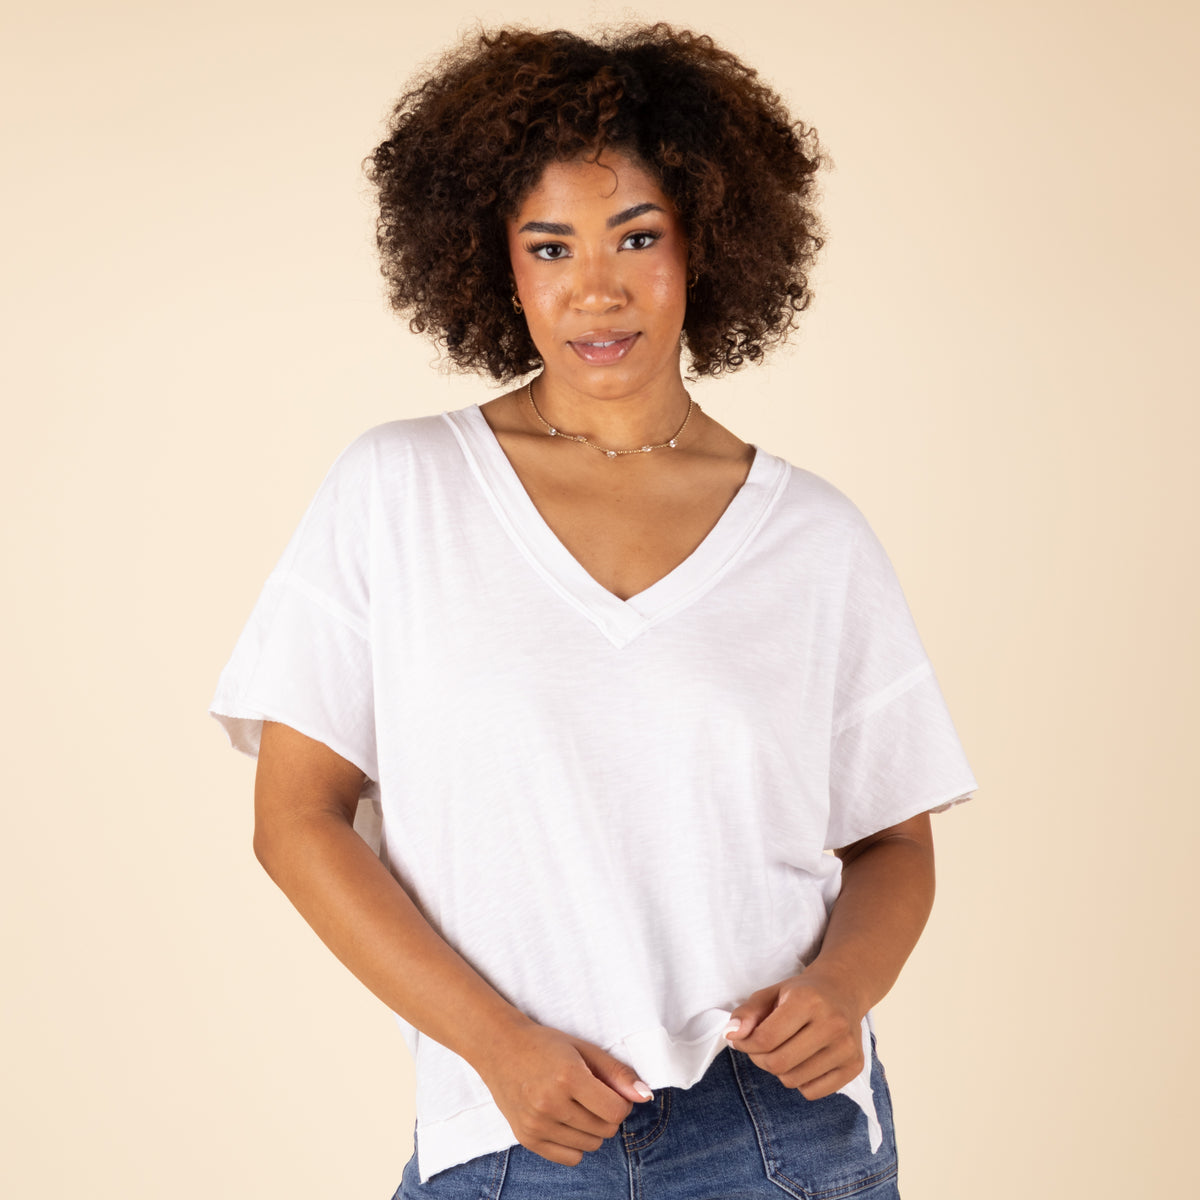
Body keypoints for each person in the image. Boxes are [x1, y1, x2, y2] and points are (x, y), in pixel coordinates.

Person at [211, 25, 976, 1200]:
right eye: (550, 244)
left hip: (779, 1133)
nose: (597, 288)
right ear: (496, 262)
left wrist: (842, 990)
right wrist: (494, 1043)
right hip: (511, 1126)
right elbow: (296, 819)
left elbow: (893, 845)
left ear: (706, 246)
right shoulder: (398, 491)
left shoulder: (813, 536)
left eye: (637, 236)